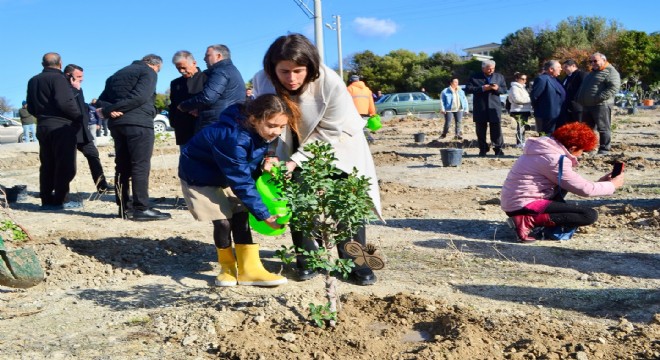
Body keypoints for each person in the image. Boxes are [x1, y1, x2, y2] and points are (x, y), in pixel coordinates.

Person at [252, 33, 382, 286]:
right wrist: (271, 155)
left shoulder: (329, 82)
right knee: (298, 201)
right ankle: (307, 259)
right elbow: (264, 120)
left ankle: (356, 262)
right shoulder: (262, 80)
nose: (292, 78)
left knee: (346, 202)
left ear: (310, 67)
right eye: (284, 71)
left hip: (339, 144)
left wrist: (298, 160)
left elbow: (330, 130)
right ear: (272, 68)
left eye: (298, 71)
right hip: (290, 143)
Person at [179, 94, 293, 287]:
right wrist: (264, 214)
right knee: (223, 221)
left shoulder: (258, 129)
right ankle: (227, 267)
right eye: (272, 126)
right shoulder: (233, 138)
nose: (277, 132)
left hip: (228, 172)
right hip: (200, 175)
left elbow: (258, 149)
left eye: (282, 127)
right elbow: (240, 181)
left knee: (241, 215)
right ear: (254, 119)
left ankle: (250, 269)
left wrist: (269, 157)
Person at [500, 122, 624, 243]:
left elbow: (574, 182)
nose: (581, 155)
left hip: (514, 202)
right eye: (582, 151)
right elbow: (585, 190)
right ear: (573, 148)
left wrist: (600, 183)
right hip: (524, 205)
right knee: (588, 215)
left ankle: (531, 220)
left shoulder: (543, 150)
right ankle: (526, 221)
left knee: (563, 186)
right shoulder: (554, 159)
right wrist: (612, 185)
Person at [96, 54, 171, 221]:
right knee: (140, 165)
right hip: (139, 124)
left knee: (122, 167)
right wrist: (111, 109)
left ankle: (123, 207)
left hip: (118, 125)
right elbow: (140, 97)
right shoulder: (148, 72)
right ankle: (141, 208)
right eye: (158, 70)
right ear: (155, 65)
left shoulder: (116, 75)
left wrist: (109, 109)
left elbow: (101, 100)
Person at [26, 52, 82, 210]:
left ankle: (46, 199)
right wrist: (77, 117)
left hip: (43, 125)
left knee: (47, 164)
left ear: (42, 64)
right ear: (60, 63)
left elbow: (30, 106)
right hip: (60, 126)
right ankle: (60, 200)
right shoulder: (59, 79)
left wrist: (42, 116)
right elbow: (65, 103)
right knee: (65, 164)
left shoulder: (33, 80)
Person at [63, 64, 113, 194]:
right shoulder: (63, 87)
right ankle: (60, 191)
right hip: (69, 131)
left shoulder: (78, 89)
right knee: (66, 163)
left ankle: (102, 186)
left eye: (82, 76)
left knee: (93, 155)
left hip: (82, 132)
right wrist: (75, 90)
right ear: (69, 76)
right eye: (78, 76)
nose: (82, 79)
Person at [177, 44, 245, 131]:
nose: (204, 59)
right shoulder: (231, 70)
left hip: (216, 124)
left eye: (207, 55)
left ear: (218, 56)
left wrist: (183, 106)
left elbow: (207, 97)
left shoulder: (221, 72)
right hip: (227, 121)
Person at [576, 52, 621, 155]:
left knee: (603, 128)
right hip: (587, 105)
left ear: (603, 60)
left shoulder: (610, 71)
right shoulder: (593, 72)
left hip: (601, 105)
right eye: (590, 61)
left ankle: (604, 149)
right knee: (588, 129)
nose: (592, 63)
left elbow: (613, 88)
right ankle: (589, 148)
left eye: (595, 61)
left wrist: (598, 98)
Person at [464, 60, 507, 157]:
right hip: (480, 107)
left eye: (493, 68)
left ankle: (498, 149)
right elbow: (468, 89)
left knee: (496, 130)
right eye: (489, 68)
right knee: (480, 130)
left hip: (494, 107)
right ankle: (483, 149)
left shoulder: (499, 77)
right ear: (483, 68)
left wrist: (497, 89)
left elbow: (504, 90)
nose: (491, 70)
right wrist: (483, 88)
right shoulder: (474, 76)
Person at [169, 50, 207, 146]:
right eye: (178, 68)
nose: (181, 71)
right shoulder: (175, 83)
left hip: (203, 128)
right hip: (183, 131)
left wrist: (200, 110)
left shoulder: (207, 78)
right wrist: (174, 122)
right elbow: (173, 104)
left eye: (184, 67)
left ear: (194, 63)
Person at [530, 60, 566, 135]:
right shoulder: (542, 79)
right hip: (546, 115)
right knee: (546, 138)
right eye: (559, 67)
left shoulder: (557, 80)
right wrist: (542, 109)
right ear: (551, 69)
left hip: (558, 115)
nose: (561, 69)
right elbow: (534, 96)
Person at [507, 72, 532, 147]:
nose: (524, 81)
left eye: (525, 79)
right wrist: (530, 100)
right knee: (521, 126)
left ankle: (521, 141)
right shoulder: (515, 87)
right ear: (517, 79)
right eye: (522, 79)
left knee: (523, 126)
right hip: (518, 110)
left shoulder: (523, 87)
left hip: (524, 109)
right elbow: (517, 99)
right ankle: (520, 142)